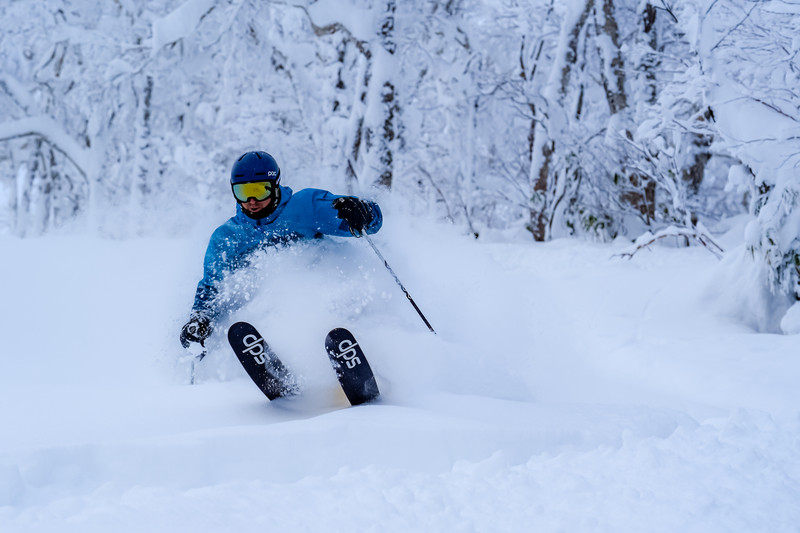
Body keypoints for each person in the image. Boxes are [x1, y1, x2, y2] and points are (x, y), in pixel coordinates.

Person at [180, 150, 382, 348]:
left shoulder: (304, 207)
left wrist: (362, 212)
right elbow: (212, 287)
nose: (251, 201)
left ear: (274, 185)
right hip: (268, 318)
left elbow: (369, 224)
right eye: (243, 192)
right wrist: (200, 318)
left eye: (259, 191)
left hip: (323, 297)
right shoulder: (227, 237)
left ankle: (347, 350)